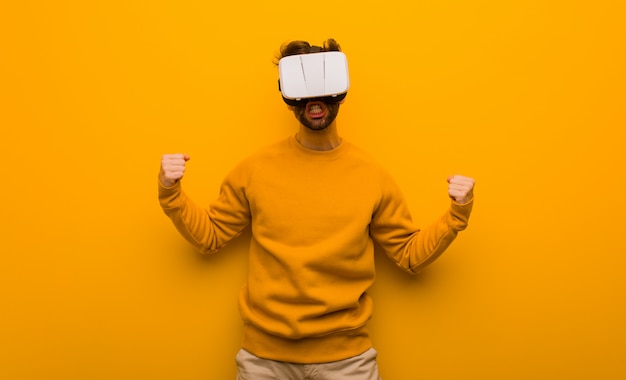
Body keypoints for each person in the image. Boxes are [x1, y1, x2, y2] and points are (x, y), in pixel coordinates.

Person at [158, 38, 475, 380]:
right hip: (264, 360)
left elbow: (409, 255)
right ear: (287, 94)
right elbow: (211, 236)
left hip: (347, 361)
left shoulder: (371, 175)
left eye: (324, 85)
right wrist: (171, 192)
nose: (314, 100)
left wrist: (456, 216)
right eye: (303, 88)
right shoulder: (255, 169)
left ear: (340, 89)